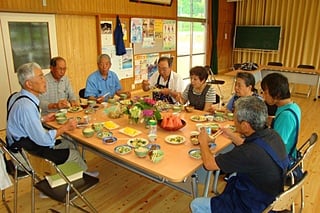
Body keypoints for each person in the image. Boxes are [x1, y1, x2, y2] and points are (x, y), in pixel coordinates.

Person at [190, 96, 289, 212]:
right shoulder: (272, 135)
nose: (233, 121)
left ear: (245, 126)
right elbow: (253, 148)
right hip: (272, 194)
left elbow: (209, 164)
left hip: (255, 205)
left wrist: (203, 141)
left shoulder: (247, 152)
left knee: (196, 204)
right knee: (233, 176)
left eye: (235, 118)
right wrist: (231, 135)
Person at [6, 62, 91, 174]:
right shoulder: (27, 107)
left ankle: (75, 174)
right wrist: (65, 127)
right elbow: (43, 140)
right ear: (29, 84)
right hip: (28, 155)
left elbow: (23, 123)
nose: (44, 80)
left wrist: (42, 119)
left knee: (70, 142)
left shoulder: (17, 96)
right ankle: (83, 177)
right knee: (74, 153)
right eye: (40, 77)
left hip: (24, 147)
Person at [261, 73, 301, 160]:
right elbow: (278, 122)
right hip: (286, 151)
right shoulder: (293, 106)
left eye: (265, 92)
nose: (263, 95)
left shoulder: (286, 116)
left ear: (277, 95)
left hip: (281, 158)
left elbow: (276, 146)